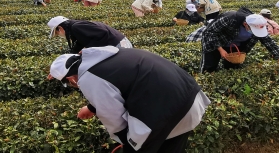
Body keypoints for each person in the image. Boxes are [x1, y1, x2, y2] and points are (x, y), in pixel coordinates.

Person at [49, 46, 210, 153]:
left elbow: (113, 117)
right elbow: (121, 85)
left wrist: (126, 140)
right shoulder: (109, 56)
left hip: (167, 112)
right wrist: (92, 108)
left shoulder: (87, 78)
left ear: (71, 78)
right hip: (190, 99)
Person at [200, 8, 279, 73]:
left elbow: (269, 43)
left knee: (232, 69)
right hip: (214, 42)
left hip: (236, 47)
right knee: (209, 69)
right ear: (245, 24)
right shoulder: (230, 18)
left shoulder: (258, 24)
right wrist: (220, 49)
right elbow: (209, 32)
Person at [48, 16, 133, 53]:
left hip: (119, 45)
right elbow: (80, 43)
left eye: (57, 33)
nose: (59, 35)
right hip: (117, 44)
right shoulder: (75, 28)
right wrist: (72, 54)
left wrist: (87, 49)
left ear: (60, 28)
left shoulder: (76, 27)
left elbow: (103, 33)